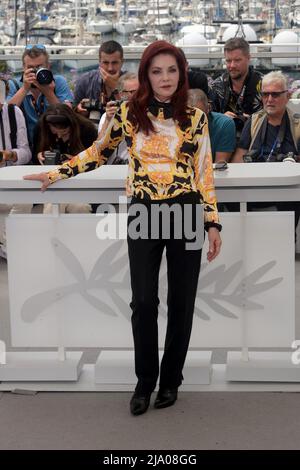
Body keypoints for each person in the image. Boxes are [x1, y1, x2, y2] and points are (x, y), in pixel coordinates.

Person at [24, 40, 222, 416]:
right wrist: (55, 172)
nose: (165, 78)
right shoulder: (131, 114)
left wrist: (213, 222)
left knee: (182, 304)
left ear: (181, 75)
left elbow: (204, 173)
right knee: (143, 302)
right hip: (143, 213)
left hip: (187, 213)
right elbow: (98, 151)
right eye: (156, 71)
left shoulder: (195, 119)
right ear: (146, 75)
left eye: (172, 70)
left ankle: (171, 380)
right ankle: (144, 381)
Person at [232, 70, 300, 227]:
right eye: (265, 94)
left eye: (275, 95)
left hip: (286, 190)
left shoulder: (297, 125)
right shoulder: (254, 121)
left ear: (288, 96)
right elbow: (239, 156)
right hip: (253, 186)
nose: (269, 100)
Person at [35, 103, 98, 214]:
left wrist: (76, 160)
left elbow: (96, 161)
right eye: (55, 132)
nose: (59, 136)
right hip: (52, 184)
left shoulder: (87, 130)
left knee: (80, 208)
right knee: (51, 209)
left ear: (72, 126)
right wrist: (39, 155)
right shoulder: (41, 129)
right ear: (48, 126)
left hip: (81, 184)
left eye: (64, 132)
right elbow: (33, 158)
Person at [7, 45, 73, 147]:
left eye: (39, 67)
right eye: (30, 68)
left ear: (48, 66)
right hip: (23, 144)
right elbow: (5, 114)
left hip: (54, 143)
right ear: (23, 68)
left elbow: (68, 116)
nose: (35, 71)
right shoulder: (14, 85)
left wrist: (48, 92)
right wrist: (24, 88)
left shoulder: (58, 82)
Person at [0, 76, 32, 259]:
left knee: (24, 199)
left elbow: (26, 152)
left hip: (9, 175)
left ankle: (10, 245)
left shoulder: (13, 113)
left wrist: (11, 155)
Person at [211, 37, 263, 139]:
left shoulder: (264, 85)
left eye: (237, 60)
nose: (232, 65)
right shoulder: (217, 86)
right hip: (224, 142)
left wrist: (253, 121)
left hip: (256, 142)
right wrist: (221, 119)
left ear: (248, 58)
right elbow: (207, 121)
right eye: (228, 61)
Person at [74, 40, 124, 122]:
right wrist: (80, 111)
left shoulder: (131, 83)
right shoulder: (85, 81)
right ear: (99, 62)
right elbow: (74, 117)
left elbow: (134, 112)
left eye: (114, 63)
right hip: (92, 130)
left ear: (122, 62)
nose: (110, 68)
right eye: (105, 63)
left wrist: (115, 87)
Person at [97, 72, 139, 164]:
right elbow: (98, 150)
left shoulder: (151, 115)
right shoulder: (108, 116)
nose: (135, 96)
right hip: (115, 169)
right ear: (121, 94)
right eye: (132, 92)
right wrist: (108, 120)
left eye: (139, 91)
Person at [188, 88, 236, 162]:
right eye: (189, 116)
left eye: (200, 115)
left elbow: (219, 165)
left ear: (209, 108)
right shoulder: (173, 125)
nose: (195, 121)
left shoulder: (223, 125)